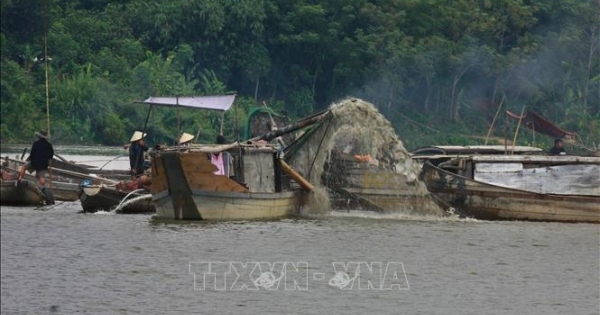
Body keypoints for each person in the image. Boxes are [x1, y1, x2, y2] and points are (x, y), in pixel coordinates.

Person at [18, 131, 55, 204]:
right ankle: (43, 189)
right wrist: (48, 161)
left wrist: (31, 160)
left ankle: (20, 179)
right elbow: (51, 155)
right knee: (41, 177)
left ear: (39, 137)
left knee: (23, 167)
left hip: (34, 162)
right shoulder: (49, 145)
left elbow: (32, 154)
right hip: (43, 164)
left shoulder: (36, 144)